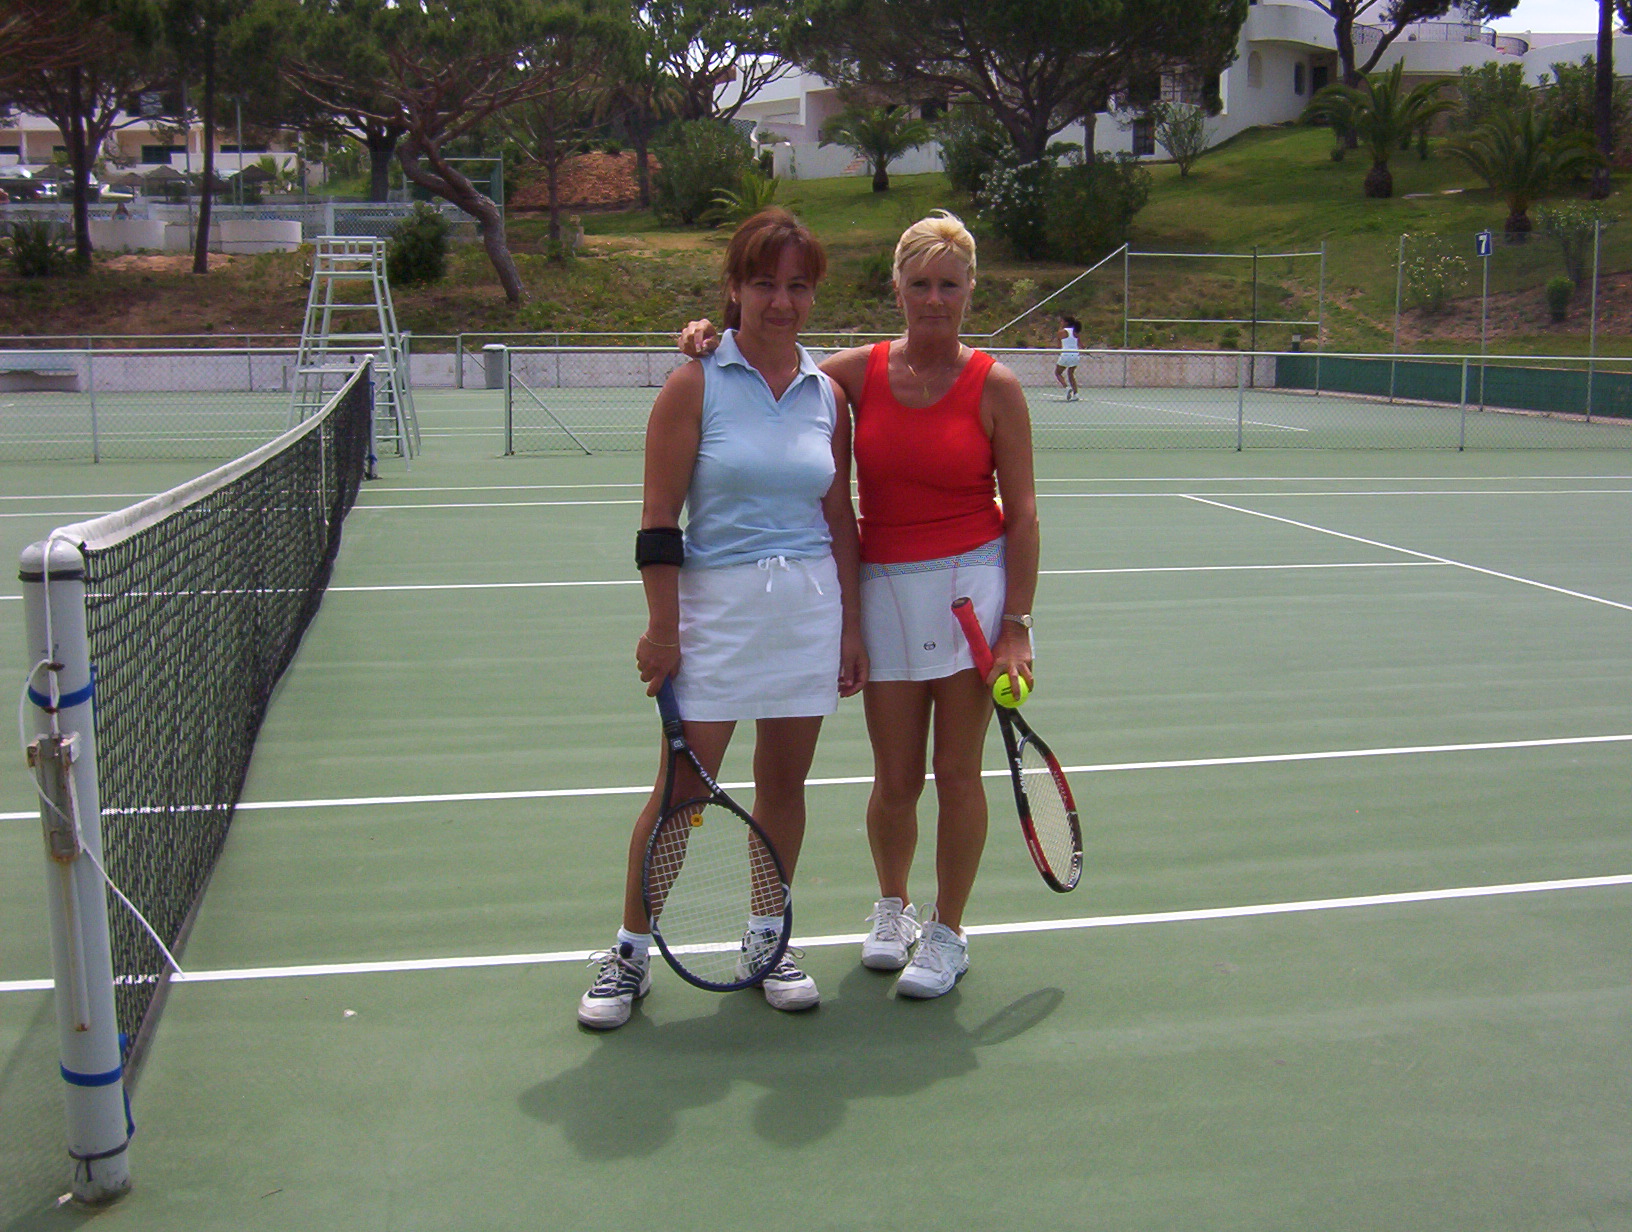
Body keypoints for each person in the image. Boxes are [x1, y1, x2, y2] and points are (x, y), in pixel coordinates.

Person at [680, 211, 1039, 1000]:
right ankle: (893, 910)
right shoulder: (854, 374)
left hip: (974, 598)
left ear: (970, 291)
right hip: (884, 593)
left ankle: (947, 933)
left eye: (950, 286)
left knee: (957, 772)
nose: (934, 300)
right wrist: (712, 334)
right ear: (897, 289)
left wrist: (1016, 627)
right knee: (896, 777)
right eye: (920, 284)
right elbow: (773, 357)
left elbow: (1023, 514)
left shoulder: (997, 388)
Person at [579, 209, 866, 1030]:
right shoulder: (694, 383)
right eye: (764, 283)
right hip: (715, 615)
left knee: (784, 786)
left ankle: (767, 940)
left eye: (798, 286)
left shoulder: (827, 395)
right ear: (734, 288)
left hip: (806, 610)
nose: (781, 301)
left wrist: (850, 627)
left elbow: (838, 518)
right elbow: (658, 520)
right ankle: (630, 953)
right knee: (681, 791)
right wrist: (663, 628)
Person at [1055, 314, 1082, 401]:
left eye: (1062, 321)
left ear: (1066, 323)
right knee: (1071, 374)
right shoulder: (1076, 332)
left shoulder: (1061, 332)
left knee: (1058, 373)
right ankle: (1076, 394)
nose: (1061, 323)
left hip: (1066, 355)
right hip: (1075, 355)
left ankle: (1067, 388)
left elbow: (1059, 346)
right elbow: (1081, 345)